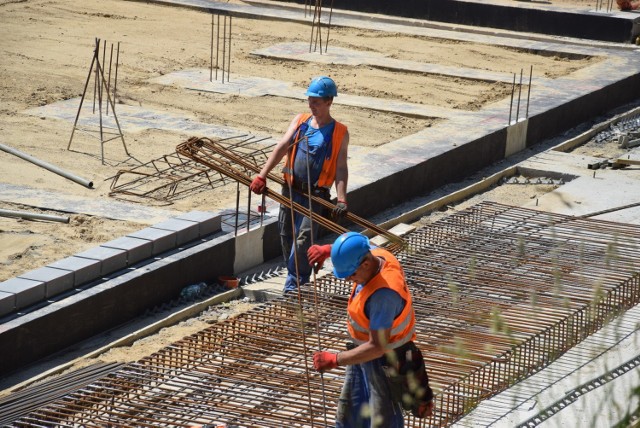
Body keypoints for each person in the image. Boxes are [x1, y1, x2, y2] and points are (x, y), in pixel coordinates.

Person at [308, 232, 434, 427]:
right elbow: (357, 247)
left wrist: (334, 359)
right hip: (361, 353)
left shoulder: (383, 295)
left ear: (365, 265)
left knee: (382, 417)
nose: (350, 280)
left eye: (351, 275)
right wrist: (330, 251)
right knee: (350, 411)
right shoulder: (378, 255)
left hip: (384, 360)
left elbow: (377, 347)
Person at [250, 76, 350, 294]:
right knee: (285, 235)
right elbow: (282, 147)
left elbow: (341, 168)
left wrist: (341, 198)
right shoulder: (300, 121)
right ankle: (294, 277)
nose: (311, 105)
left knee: (303, 240)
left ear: (329, 101)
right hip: (289, 191)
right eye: (310, 100)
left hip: (315, 197)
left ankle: (295, 287)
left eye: (316, 101)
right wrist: (262, 175)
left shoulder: (339, 132)